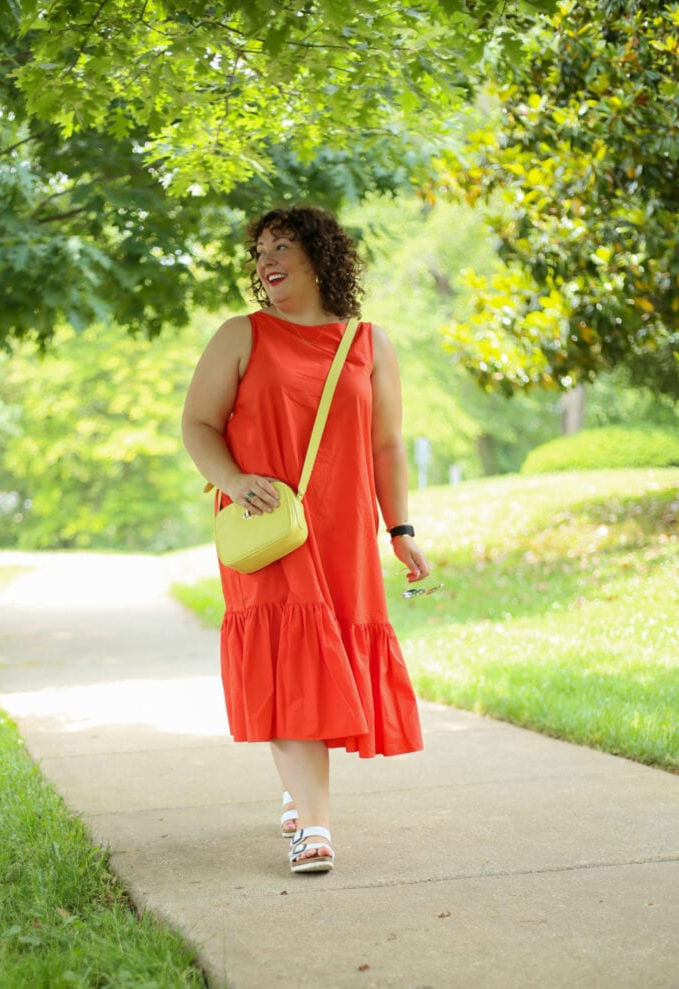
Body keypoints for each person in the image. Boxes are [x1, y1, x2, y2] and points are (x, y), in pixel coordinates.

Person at [181, 205, 430, 875]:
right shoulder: (241, 334)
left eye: (283, 246)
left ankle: (298, 794)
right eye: (260, 249)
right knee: (291, 661)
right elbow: (198, 425)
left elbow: (386, 444)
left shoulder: (368, 344)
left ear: (320, 258)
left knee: (316, 661)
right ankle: (313, 828)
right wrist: (233, 479)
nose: (266, 260)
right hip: (267, 527)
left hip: (341, 529)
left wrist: (399, 529)